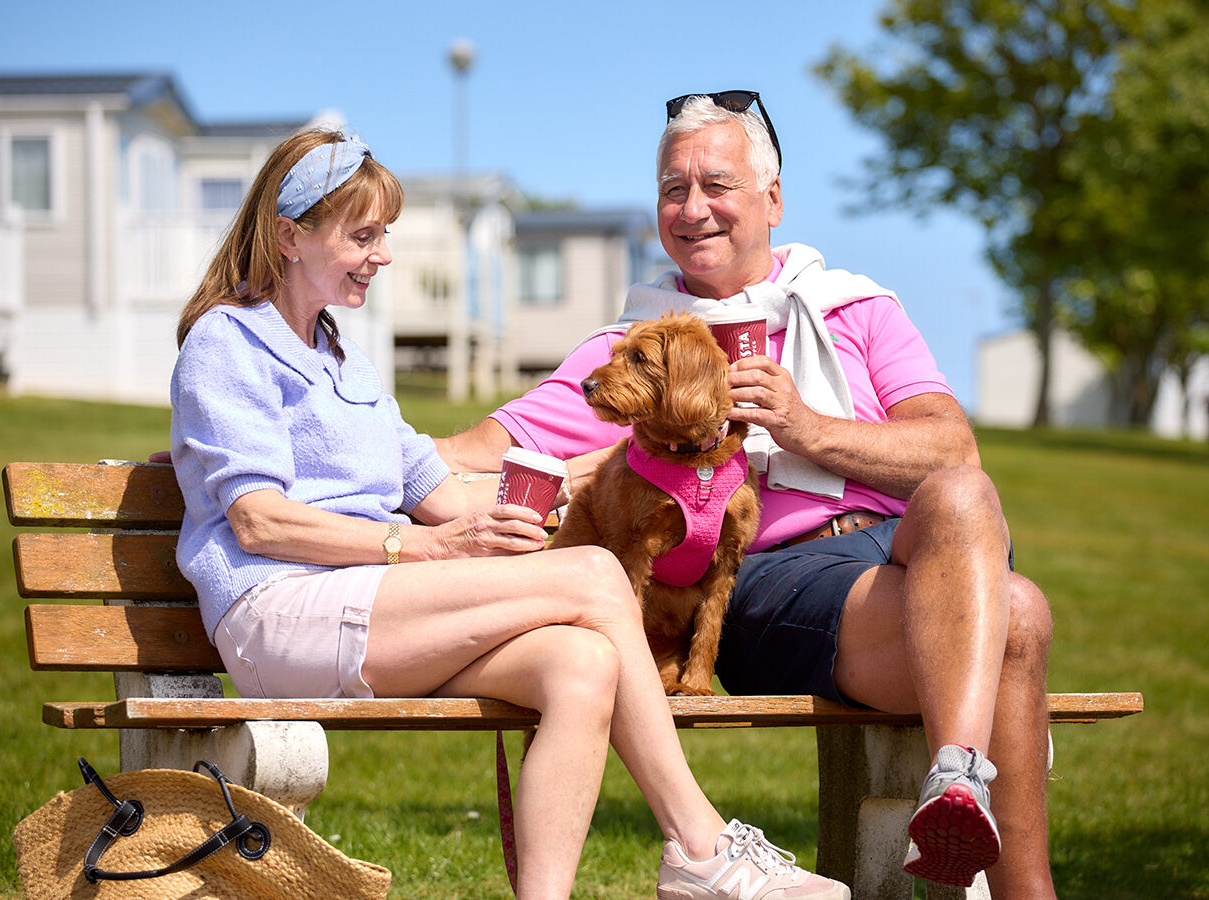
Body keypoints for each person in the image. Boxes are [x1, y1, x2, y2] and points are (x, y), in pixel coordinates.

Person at [168, 128, 851, 900]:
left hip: (374, 611)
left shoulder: (343, 359)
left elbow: (448, 495)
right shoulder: (228, 342)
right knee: (595, 574)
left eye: (383, 235)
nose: (383, 255)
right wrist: (425, 549)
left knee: (581, 664)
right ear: (290, 237)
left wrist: (593, 474)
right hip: (280, 612)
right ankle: (699, 845)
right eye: (363, 236)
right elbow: (261, 523)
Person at [436, 93, 1057, 898]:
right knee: (1021, 615)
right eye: (672, 188)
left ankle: (955, 779)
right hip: (770, 582)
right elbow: (465, 453)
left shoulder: (854, 310)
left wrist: (805, 425)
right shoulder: (635, 345)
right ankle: (1012, 865)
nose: (692, 209)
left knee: (966, 493)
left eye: (716, 185)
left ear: (773, 199)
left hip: (915, 551)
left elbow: (952, 449)